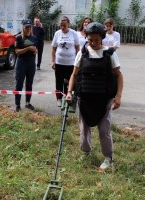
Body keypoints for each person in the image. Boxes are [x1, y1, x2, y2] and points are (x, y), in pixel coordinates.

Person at [66, 22, 123, 170]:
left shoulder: (110, 53)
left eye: (96, 40)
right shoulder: (82, 53)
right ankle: (86, 152)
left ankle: (108, 157)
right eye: (90, 40)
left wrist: (118, 96)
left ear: (102, 38)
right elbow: (74, 74)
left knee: (104, 130)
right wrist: (69, 92)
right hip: (84, 99)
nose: (93, 43)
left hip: (104, 100)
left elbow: (119, 75)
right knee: (84, 129)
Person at [51, 16, 80, 107]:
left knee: (70, 82)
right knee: (59, 81)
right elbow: (53, 48)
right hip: (59, 63)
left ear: (68, 24)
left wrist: (78, 62)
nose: (62, 27)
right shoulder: (57, 33)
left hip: (71, 63)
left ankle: (69, 96)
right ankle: (59, 99)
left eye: (64, 25)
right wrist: (53, 61)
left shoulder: (74, 33)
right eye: (61, 25)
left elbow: (77, 48)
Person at [14, 19, 38, 112]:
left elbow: (36, 50)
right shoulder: (19, 38)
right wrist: (28, 48)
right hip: (21, 62)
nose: (28, 28)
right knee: (19, 84)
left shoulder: (34, 38)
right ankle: (18, 104)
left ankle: (28, 102)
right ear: (23, 27)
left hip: (31, 62)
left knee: (29, 83)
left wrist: (35, 50)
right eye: (26, 27)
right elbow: (17, 52)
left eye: (29, 27)